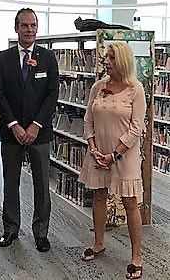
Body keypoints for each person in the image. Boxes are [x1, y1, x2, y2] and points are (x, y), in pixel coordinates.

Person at [78, 41, 145, 280]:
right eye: (106, 57)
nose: (106, 61)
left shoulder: (136, 89)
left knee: (130, 202)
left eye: (111, 58)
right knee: (99, 195)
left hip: (123, 156)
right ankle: (98, 243)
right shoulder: (98, 86)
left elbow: (136, 128)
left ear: (123, 61)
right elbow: (88, 120)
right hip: (99, 153)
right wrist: (93, 148)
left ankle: (136, 256)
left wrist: (114, 154)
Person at [0, 8, 59, 252]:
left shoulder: (48, 58)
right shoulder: (4, 58)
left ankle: (41, 233)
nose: (29, 30)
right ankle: (10, 229)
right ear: (16, 28)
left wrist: (35, 125)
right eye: (24, 25)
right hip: (11, 133)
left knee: (41, 185)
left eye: (33, 25)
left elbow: (52, 94)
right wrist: (14, 125)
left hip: (39, 133)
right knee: (11, 182)